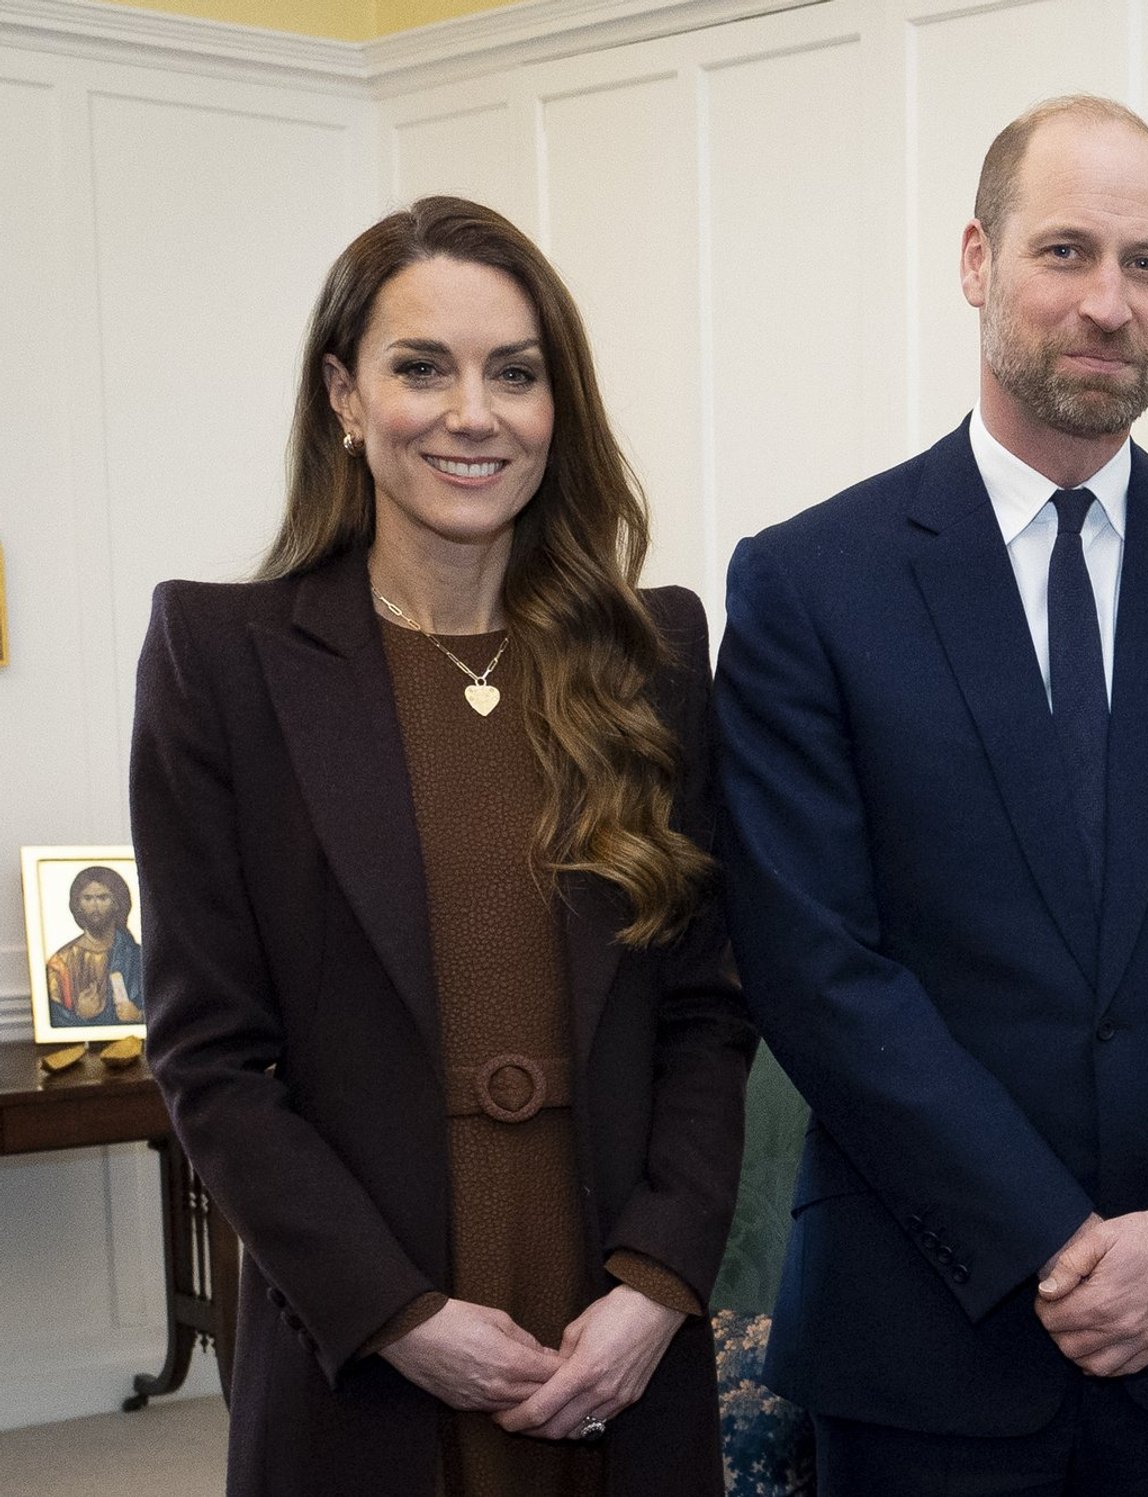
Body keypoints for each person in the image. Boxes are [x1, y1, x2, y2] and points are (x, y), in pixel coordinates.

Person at [716, 95, 1148, 1495]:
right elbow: (815, 963)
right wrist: (1050, 1240)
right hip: (918, 1328)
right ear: (976, 261)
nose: (1108, 303)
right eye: (1065, 251)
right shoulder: (811, 583)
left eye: (1147, 263)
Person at [130, 196, 754, 1497]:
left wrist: (657, 1282)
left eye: (514, 374)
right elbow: (210, 1057)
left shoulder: (652, 655)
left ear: (557, 407)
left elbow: (706, 1009)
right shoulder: (220, 662)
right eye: (423, 368)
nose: (474, 414)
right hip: (366, 1344)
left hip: (616, 1333)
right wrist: (397, 1315)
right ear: (344, 398)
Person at [45, 866, 143, 1026]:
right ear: (78, 905)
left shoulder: (137, 957)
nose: (95, 906)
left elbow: (162, 1007)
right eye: (88, 898)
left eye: (103, 898)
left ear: (117, 903)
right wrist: (81, 1015)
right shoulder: (61, 963)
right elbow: (54, 1019)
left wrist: (138, 1016)